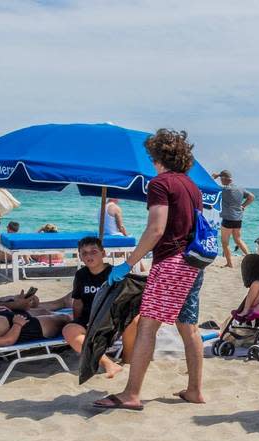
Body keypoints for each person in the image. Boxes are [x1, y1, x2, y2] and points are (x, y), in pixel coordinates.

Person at [94, 128, 206, 410]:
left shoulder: (160, 183)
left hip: (171, 262)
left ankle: (131, 394)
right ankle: (194, 390)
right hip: (193, 263)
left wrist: (128, 263)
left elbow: (156, 228)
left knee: (147, 325)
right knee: (188, 327)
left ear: (157, 156)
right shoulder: (192, 187)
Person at [60, 236, 126, 378]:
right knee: (69, 330)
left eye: (93, 251)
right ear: (80, 256)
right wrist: (78, 322)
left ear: (103, 253)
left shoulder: (115, 274)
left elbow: (124, 301)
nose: (89, 256)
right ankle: (108, 363)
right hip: (89, 319)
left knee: (135, 318)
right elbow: (78, 302)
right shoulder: (81, 275)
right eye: (84, 253)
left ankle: (128, 360)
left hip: (111, 319)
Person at [214, 169, 255, 268]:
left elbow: (210, 186)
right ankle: (251, 259)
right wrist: (243, 206)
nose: (220, 181)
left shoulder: (225, 190)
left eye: (221, 179)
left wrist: (213, 177)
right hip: (238, 218)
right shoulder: (240, 188)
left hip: (228, 219)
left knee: (224, 242)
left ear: (224, 179)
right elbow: (252, 197)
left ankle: (229, 263)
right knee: (238, 239)